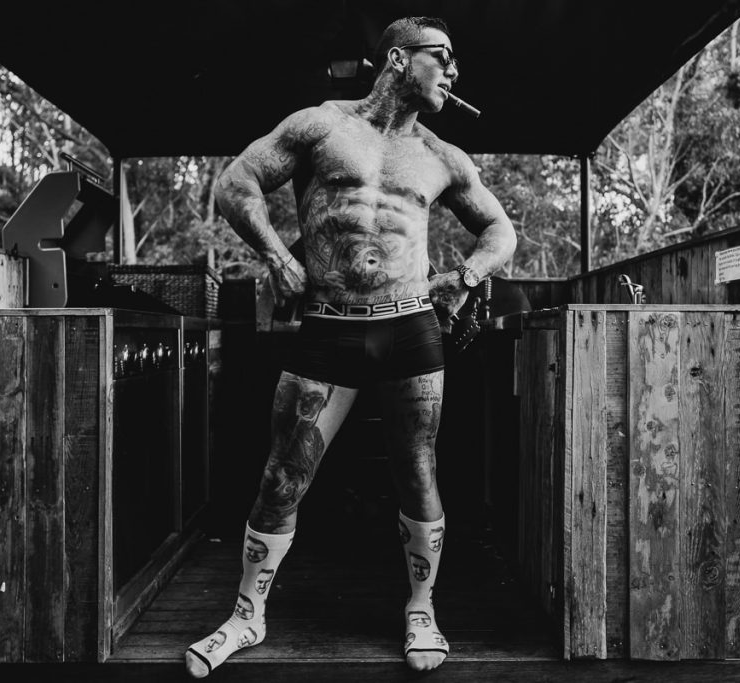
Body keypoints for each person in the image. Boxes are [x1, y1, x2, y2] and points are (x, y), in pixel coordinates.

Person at [184, 16, 517, 678]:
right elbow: (234, 185)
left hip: (410, 327)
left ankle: (420, 609)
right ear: (397, 58)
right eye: (443, 56)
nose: (454, 71)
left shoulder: (443, 156)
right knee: (282, 474)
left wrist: (465, 277)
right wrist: (278, 256)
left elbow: (500, 231)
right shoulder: (320, 127)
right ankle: (247, 614)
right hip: (329, 326)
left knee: (418, 469)